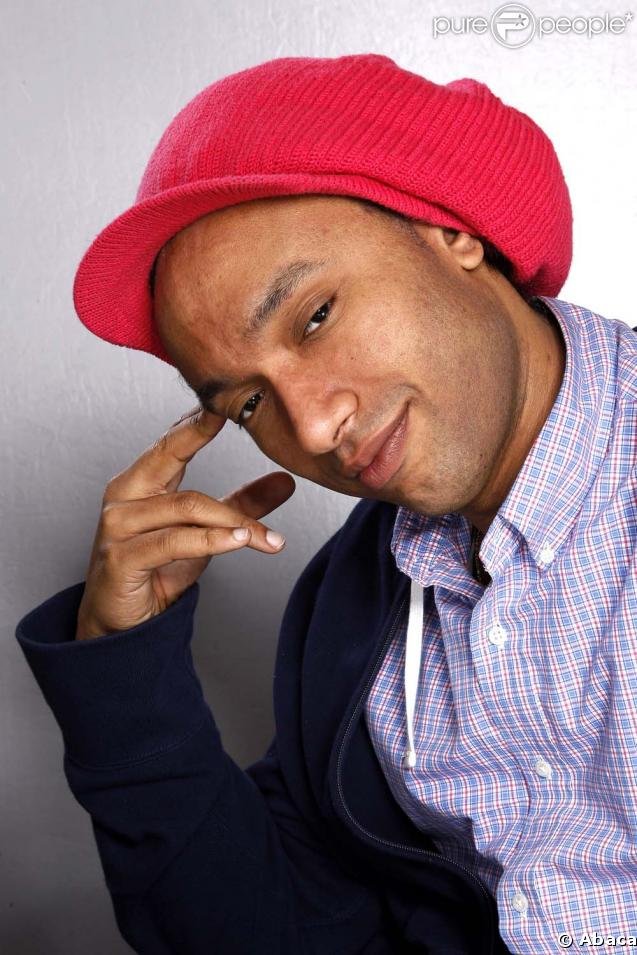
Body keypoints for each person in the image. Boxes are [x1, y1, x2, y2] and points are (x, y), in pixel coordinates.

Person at [15, 54, 637, 955]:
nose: (310, 427)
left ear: (448, 227)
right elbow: (277, 930)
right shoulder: (349, 604)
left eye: (313, 317)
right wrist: (124, 671)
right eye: (247, 404)